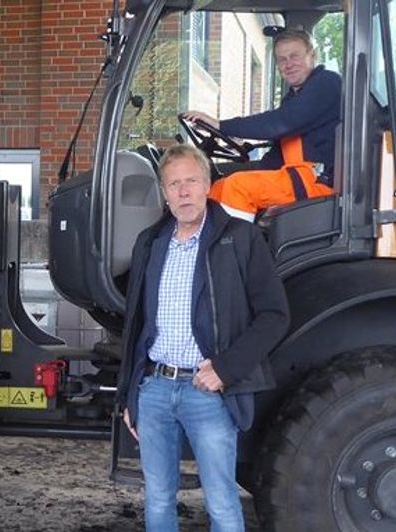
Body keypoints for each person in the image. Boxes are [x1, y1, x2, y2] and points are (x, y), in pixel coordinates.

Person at [116, 144, 289, 531]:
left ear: (208, 184)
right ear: (163, 193)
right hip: (156, 390)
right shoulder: (150, 243)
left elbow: (275, 316)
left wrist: (225, 369)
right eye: (173, 184)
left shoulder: (240, 239)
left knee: (222, 502)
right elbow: (136, 325)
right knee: (158, 498)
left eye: (191, 181)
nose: (183, 192)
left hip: (208, 392)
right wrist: (130, 393)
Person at [183, 28, 342, 221]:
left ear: (312, 55)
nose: (288, 64)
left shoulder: (326, 83)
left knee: (237, 188)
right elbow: (277, 154)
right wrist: (251, 169)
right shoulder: (295, 97)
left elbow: (279, 122)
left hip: (317, 180)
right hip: (297, 176)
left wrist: (221, 125)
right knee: (219, 186)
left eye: (294, 56)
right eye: (282, 59)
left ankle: (236, 249)